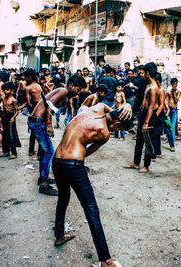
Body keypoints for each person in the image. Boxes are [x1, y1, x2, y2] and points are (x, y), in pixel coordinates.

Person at [52, 103, 132, 267]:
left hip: (57, 160)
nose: (116, 131)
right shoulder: (104, 133)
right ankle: (106, 261)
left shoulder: (99, 107)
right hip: (73, 164)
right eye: (118, 129)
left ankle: (60, 235)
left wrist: (127, 106)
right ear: (116, 124)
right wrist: (78, 155)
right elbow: (87, 152)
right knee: (91, 210)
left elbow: (113, 107)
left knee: (63, 198)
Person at [28, 74, 87, 196]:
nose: (78, 92)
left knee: (45, 152)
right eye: (78, 89)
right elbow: (48, 106)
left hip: (38, 121)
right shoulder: (63, 91)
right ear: (71, 86)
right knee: (49, 151)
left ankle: (43, 178)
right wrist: (49, 125)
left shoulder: (64, 92)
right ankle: (44, 184)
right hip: (39, 122)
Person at [124, 62, 159, 173]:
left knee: (147, 141)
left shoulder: (153, 87)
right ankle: (136, 162)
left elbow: (152, 106)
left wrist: (146, 122)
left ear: (148, 72)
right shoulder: (147, 84)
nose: (142, 74)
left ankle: (146, 165)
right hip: (143, 113)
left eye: (144, 72)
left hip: (149, 116)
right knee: (139, 139)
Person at [24, 68, 42, 157]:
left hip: (35, 106)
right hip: (41, 106)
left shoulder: (28, 88)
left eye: (26, 77)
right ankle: (39, 152)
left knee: (33, 131)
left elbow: (28, 102)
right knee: (40, 129)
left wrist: (31, 111)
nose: (25, 79)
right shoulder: (39, 86)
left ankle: (31, 150)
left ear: (29, 77)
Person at [0, 82, 21, 159]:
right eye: (4, 90)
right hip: (4, 116)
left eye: (7, 90)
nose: (6, 91)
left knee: (11, 135)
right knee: (4, 134)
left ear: (12, 90)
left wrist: (13, 118)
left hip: (10, 117)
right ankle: (5, 151)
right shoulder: (3, 98)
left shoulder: (13, 100)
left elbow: (17, 110)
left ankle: (14, 152)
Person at [165, 78, 181, 151]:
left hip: (174, 109)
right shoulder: (168, 92)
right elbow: (166, 101)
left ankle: (172, 140)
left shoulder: (178, 92)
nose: (175, 85)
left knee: (173, 126)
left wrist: (174, 93)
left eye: (176, 83)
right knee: (169, 124)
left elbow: (176, 100)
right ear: (171, 84)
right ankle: (168, 138)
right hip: (169, 109)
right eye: (174, 83)